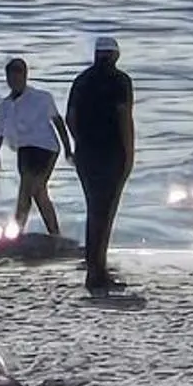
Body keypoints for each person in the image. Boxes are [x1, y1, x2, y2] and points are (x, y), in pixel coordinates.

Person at [63, 36, 135, 293]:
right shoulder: (120, 81)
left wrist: (80, 142)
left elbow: (70, 117)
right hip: (112, 152)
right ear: (115, 55)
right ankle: (97, 272)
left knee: (94, 209)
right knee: (105, 212)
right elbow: (124, 117)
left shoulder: (81, 80)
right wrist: (129, 153)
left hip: (86, 153)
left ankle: (95, 268)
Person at [0, 57, 72, 239]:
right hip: (23, 150)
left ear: (25, 76)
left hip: (46, 147)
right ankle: (56, 235)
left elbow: (58, 123)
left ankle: (17, 234)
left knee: (28, 188)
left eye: (19, 75)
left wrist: (68, 149)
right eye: (11, 77)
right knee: (37, 191)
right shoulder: (3, 107)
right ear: (7, 78)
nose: (15, 80)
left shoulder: (42, 98)